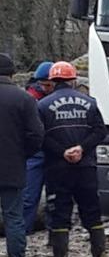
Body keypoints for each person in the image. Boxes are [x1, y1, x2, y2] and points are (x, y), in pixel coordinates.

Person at [38, 61, 108, 257]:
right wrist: (82, 148)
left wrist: (63, 152)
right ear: (74, 80)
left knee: (59, 215)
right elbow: (100, 131)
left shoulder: (42, 105)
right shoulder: (90, 103)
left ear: (52, 81)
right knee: (92, 213)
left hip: (58, 169)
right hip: (86, 167)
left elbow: (40, 137)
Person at [0, 53, 45, 257]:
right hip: (12, 167)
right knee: (14, 216)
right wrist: (23, 154)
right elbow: (37, 135)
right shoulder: (24, 99)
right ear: (13, 73)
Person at [23, 61, 54, 233]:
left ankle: (54, 234)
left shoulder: (33, 97)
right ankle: (23, 233)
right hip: (37, 153)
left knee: (53, 197)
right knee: (29, 197)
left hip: (46, 152)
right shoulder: (31, 100)